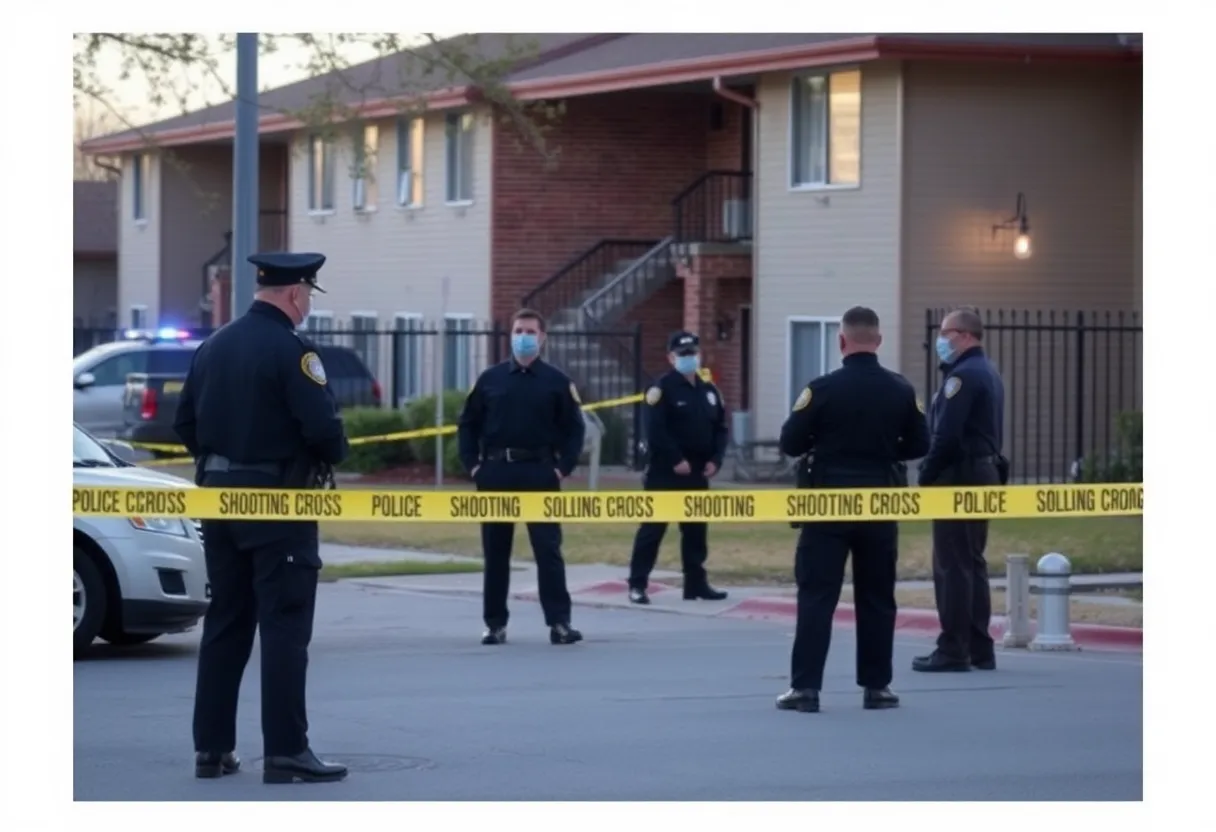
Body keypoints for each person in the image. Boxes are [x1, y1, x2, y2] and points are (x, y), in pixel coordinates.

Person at [173, 252, 350, 784]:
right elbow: (324, 431)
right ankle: (287, 751)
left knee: (226, 621)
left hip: (218, 500)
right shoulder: (293, 350)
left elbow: (184, 423)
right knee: (284, 625)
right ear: (297, 293)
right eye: (307, 298)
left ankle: (212, 749)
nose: (306, 308)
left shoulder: (213, 346)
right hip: (279, 503)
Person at [774, 306, 929, 714]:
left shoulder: (822, 389)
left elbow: (790, 441)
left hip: (827, 505)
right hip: (880, 502)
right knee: (877, 597)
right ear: (877, 341)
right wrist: (883, 451)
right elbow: (920, 444)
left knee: (817, 597)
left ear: (841, 341)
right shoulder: (899, 389)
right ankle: (877, 687)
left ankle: (805, 690)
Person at [457, 308, 587, 646]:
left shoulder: (557, 382)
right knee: (496, 551)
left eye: (530, 331)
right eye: (518, 331)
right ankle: (494, 624)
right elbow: (467, 424)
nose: (523, 337)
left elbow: (575, 429)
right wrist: (473, 466)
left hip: (540, 472)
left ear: (542, 337)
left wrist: (563, 467)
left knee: (548, 549)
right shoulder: (491, 379)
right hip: (496, 472)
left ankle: (559, 623)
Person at [913, 306, 1007, 673]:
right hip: (981, 472)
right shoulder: (986, 371)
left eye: (945, 333)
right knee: (972, 561)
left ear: (965, 335)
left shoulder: (963, 377)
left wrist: (926, 473)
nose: (940, 340)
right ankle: (979, 647)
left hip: (960, 476)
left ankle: (953, 648)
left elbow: (947, 436)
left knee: (952, 565)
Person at [627, 331, 729, 605]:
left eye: (693, 353)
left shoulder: (709, 391)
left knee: (696, 531)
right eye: (683, 355)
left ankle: (695, 583)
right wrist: (675, 460)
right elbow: (655, 430)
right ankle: (637, 584)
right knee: (653, 529)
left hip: (697, 471)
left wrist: (715, 460)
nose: (689, 358)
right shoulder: (660, 390)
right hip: (665, 471)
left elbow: (720, 428)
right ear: (671, 358)